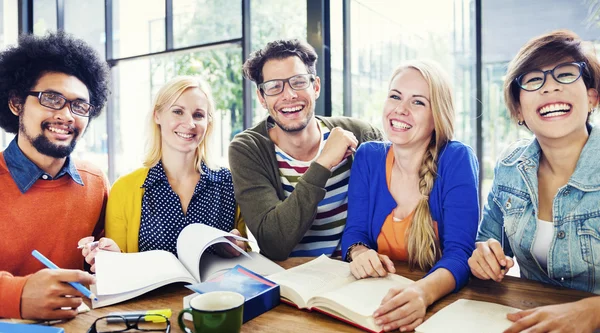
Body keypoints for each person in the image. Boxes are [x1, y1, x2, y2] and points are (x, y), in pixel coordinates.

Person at [468, 30, 600, 333]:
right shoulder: (510, 166)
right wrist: (483, 256)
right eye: (533, 80)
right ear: (518, 110)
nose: (550, 87)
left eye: (565, 75)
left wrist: (593, 312)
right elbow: (487, 241)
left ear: (592, 96)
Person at [341, 60, 480, 332]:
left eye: (418, 102)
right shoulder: (368, 157)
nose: (400, 109)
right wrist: (359, 253)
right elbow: (354, 231)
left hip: (439, 306)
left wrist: (422, 294)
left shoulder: (457, 159)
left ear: (437, 116)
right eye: (395, 96)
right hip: (374, 302)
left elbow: (461, 254)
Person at [230, 39, 382, 261]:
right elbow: (274, 243)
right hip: (291, 285)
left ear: (316, 87)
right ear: (262, 98)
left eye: (298, 82)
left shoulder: (361, 135)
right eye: (274, 86)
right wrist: (322, 164)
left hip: (357, 277)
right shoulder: (248, 149)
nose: (289, 95)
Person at [80, 76, 247, 272]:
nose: (190, 123)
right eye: (178, 111)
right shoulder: (124, 189)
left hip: (215, 300)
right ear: (157, 115)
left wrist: (239, 249)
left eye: (199, 115)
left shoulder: (230, 183)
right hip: (153, 302)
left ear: (208, 122)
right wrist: (110, 258)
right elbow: (119, 266)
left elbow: (244, 254)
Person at [0, 31, 110, 320]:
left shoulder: (94, 182)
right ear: (16, 103)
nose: (66, 115)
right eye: (51, 99)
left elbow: (102, 259)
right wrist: (18, 295)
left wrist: (108, 257)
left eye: (80, 105)